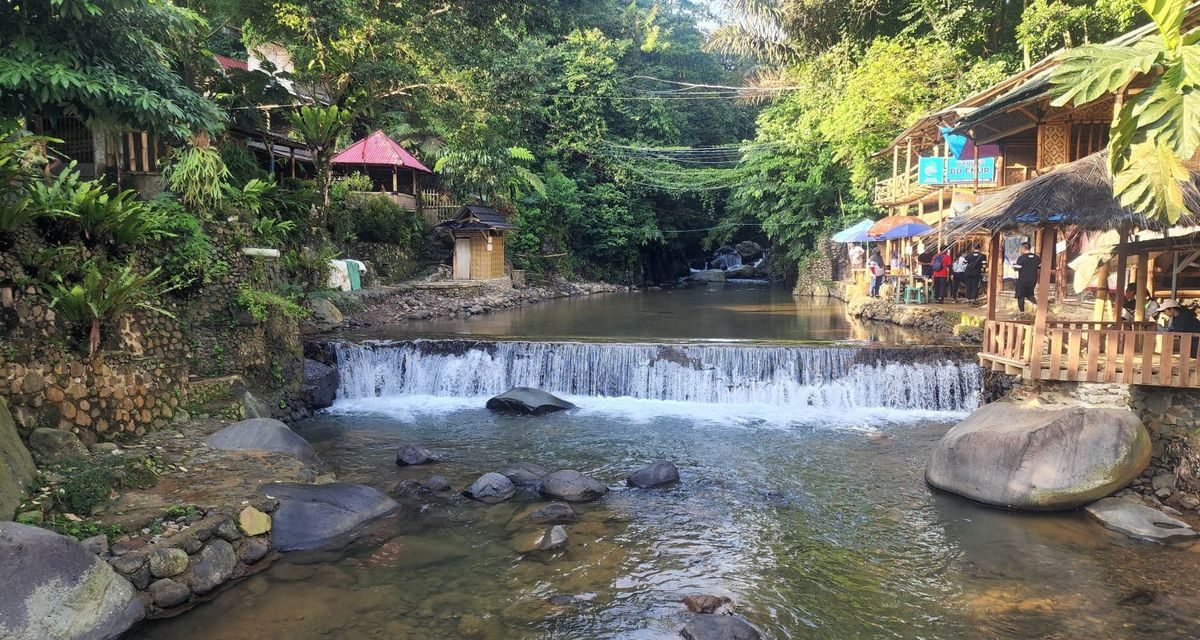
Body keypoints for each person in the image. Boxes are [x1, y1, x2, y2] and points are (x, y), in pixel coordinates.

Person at [1012, 241, 1039, 313]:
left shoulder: (1021, 258)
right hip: (1033, 280)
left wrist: (1014, 266)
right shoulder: (1037, 258)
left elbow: (1017, 268)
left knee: (1020, 295)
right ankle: (1035, 305)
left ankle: (1022, 312)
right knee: (1029, 294)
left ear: (1023, 248)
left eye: (1020, 248)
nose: (1020, 250)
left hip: (1023, 280)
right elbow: (1039, 266)